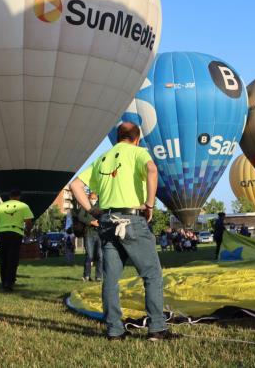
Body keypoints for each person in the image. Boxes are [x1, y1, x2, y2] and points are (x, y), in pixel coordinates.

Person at [70, 122, 180, 342]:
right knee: (151, 274)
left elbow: (75, 185)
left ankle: (114, 330)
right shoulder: (138, 152)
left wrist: (92, 210)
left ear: (118, 137)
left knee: (110, 279)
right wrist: (149, 204)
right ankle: (157, 328)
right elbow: (152, 169)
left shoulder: (103, 157)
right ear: (137, 139)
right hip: (132, 219)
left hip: (108, 222)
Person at [0, 189, 34, 292]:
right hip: (15, 233)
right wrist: (28, 232)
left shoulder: (2, 206)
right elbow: (29, 222)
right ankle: (9, 283)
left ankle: (4, 283)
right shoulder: (23, 206)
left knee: (3, 258)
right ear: (19, 197)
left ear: (9, 196)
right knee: (13, 258)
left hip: (2, 233)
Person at [78, 195, 103, 281]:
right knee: (89, 255)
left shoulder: (101, 206)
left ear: (97, 198)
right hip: (89, 233)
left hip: (99, 234)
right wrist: (91, 222)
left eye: (94, 198)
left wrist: (99, 222)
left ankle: (98, 276)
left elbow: (105, 216)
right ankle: (86, 276)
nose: (93, 200)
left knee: (100, 255)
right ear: (89, 198)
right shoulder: (85, 206)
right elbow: (80, 217)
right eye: (91, 198)